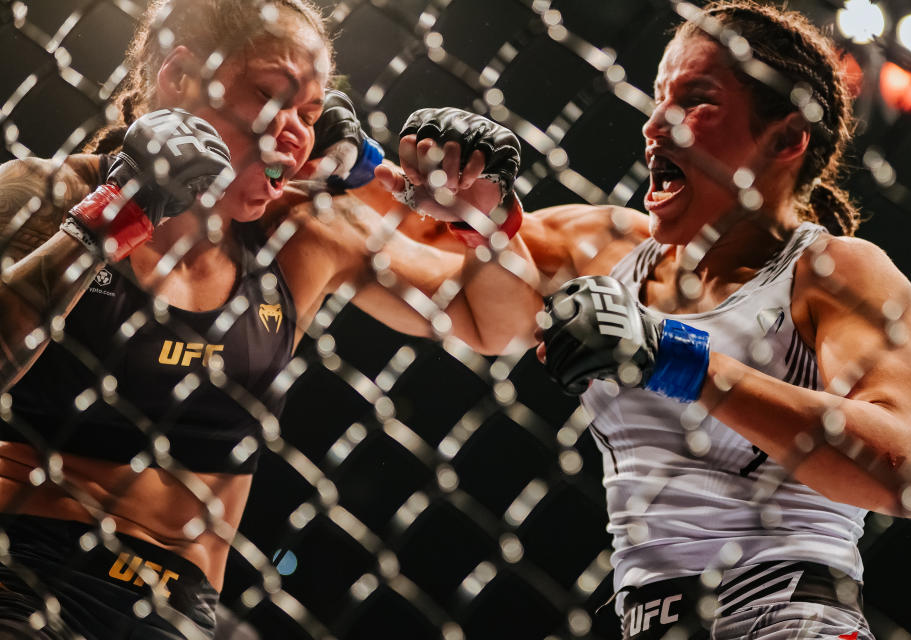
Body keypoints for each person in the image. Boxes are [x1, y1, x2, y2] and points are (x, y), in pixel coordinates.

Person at [372, 1, 911, 638]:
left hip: (789, 615)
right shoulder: (610, 245)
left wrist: (674, 355)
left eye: (695, 100)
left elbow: (907, 469)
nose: (654, 126)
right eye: (656, 100)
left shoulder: (835, 272)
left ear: (784, 138)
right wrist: (394, 179)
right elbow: (476, 302)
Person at [0, 0, 540, 638]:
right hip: (21, 571)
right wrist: (110, 218)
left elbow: (496, 322)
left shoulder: (303, 233)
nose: (294, 132)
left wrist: (487, 220)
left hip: (181, 609)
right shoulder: (45, 192)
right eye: (269, 95)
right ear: (179, 79)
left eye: (311, 115)